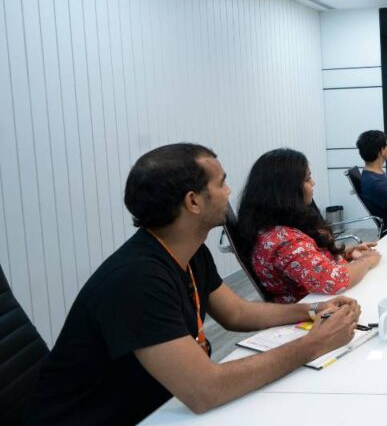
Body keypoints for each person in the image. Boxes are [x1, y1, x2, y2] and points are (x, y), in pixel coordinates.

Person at [29, 144, 363, 425]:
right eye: (221, 183)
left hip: (162, 405)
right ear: (193, 201)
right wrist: (315, 344)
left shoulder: (189, 252)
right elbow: (206, 390)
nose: (230, 192)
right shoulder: (136, 280)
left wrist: (314, 308)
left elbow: (239, 313)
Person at [236, 148, 381, 304]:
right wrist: (367, 261)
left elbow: (309, 261)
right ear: (286, 190)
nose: (313, 183)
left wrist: (346, 253)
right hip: (312, 315)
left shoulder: (284, 225)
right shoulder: (283, 241)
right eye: (307, 179)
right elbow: (335, 280)